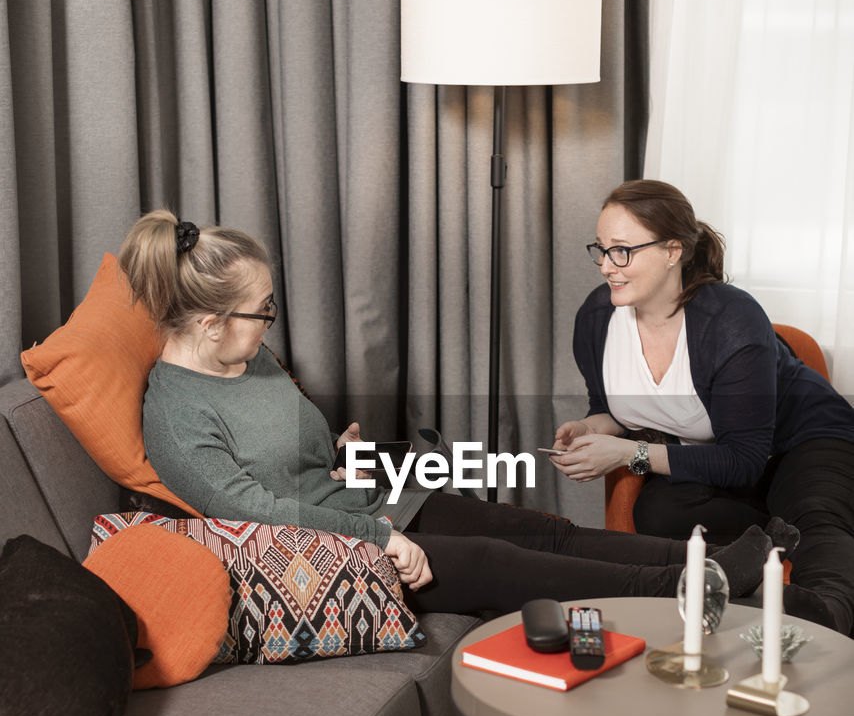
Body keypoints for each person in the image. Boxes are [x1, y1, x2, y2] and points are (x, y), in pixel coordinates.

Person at [117, 209, 787, 622]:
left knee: (542, 530)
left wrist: (338, 449)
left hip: (369, 505)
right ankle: (690, 586)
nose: (270, 324)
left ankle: (709, 557)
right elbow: (259, 512)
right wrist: (379, 539)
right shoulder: (177, 417)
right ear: (208, 323)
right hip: (330, 555)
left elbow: (297, 459)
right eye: (262, 311)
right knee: (501, 561)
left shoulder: (246, 358)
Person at [553, 178, 854, 635]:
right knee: (659, 513)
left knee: (817, 517)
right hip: (722, 458)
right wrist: (588, 426)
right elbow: (612, 407)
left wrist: (628, 454)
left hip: (802, 440)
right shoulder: (597, 319)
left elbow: (746, 458)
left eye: (622, 251)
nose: (605, 266)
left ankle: (824, 621)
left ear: (673, 250)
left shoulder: (729, 319)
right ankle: (777, 531)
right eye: (601, 249)